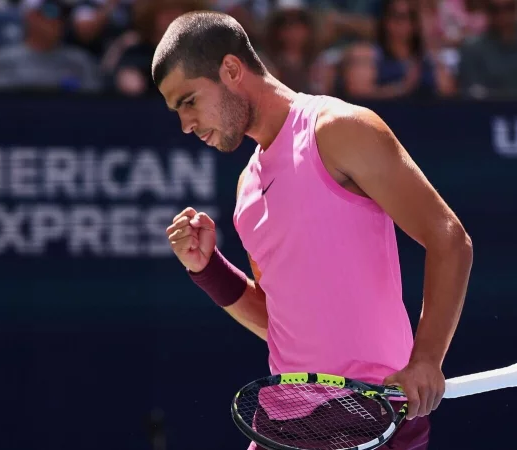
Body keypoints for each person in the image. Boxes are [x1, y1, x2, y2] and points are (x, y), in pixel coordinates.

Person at [153, 10, 473, 449]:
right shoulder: (247, 191)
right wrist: (208, 268)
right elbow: (279, 321)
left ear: (231, 69)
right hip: (285, 420)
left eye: (188, 101)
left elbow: (450, 239)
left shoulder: (340, 130)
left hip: (375, 416)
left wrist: (427, 360)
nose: (185, 124)